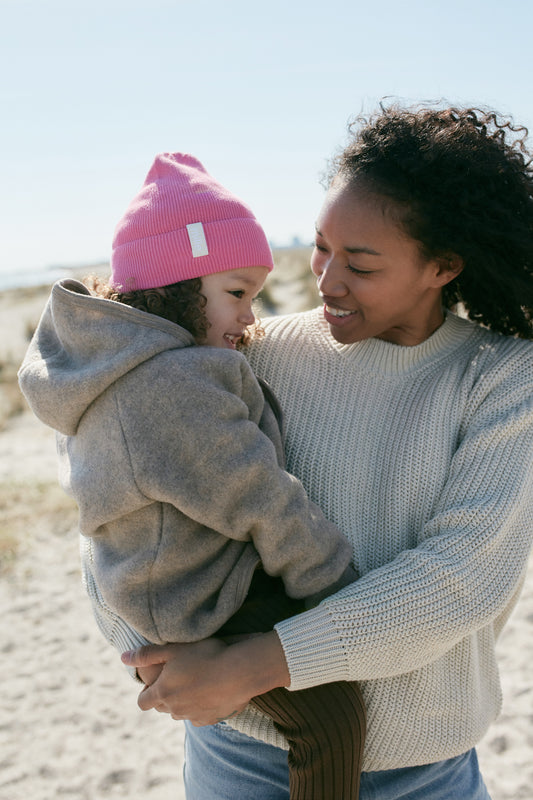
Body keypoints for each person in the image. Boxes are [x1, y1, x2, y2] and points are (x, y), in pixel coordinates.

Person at [112, 105, 533, 800]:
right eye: (318, 247)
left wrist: (253, 664)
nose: (326, 278)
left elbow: (459, 578)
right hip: (244, 751)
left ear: (442, 266)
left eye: (360, 264)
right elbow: (126, 496)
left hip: (422, 768)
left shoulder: (502, 376)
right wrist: (152, 650)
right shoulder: (252, 354)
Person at [18, 153, 367, 800]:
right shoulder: (170, 385)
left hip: (152, 588)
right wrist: (334, 590)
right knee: (331, 714)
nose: (249, 318)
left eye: (256, 297)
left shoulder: (110, 366)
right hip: (199, 601)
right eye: (235, 293)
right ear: (174, 286)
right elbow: (259, 498)